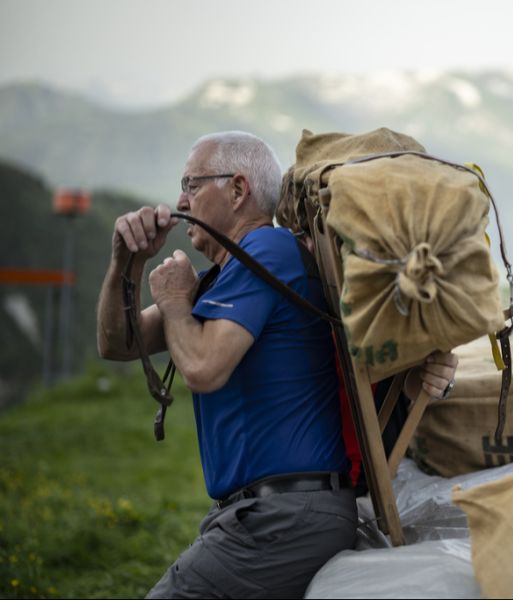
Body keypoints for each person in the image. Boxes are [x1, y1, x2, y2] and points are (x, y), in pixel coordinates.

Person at [96, 130, 458, 598]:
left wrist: (173, 303)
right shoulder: (225, 277)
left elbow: (203, 368)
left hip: (284, 517)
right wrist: (126, 262)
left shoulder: (268, 250)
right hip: (268, 514)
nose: (180, 200)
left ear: (238, 189)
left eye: (191, 185)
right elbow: (118, 343)